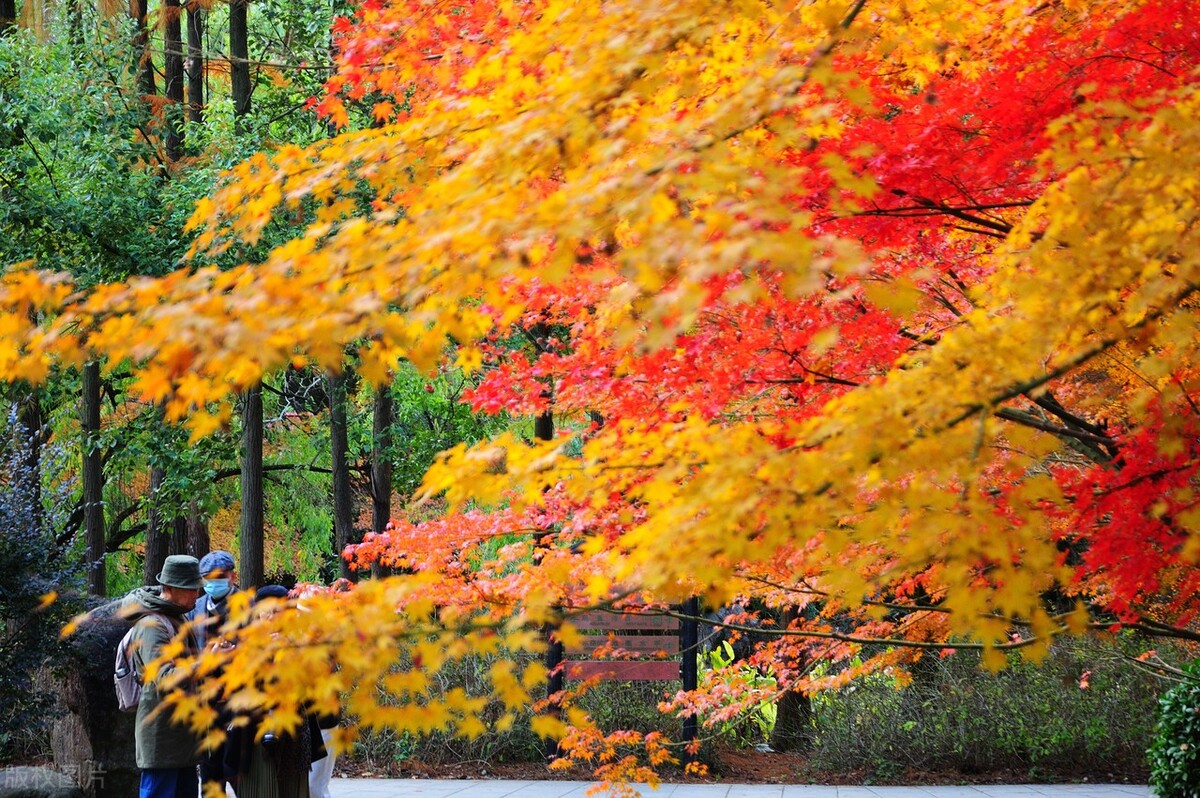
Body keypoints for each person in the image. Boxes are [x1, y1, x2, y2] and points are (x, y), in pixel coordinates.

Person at [223, 586, 326, 798]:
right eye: (268, 610)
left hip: (294, 729)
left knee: (292, 788)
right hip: (256, 730)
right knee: (261, 787)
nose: (273, 616)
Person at [121, 554, 205, 798]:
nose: (195, 595)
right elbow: (165, 677)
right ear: (168, 589)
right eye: (189, 589)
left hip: (181, 736)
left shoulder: (175, 615)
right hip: (162, 737)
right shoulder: (153, 625)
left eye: (197, 588)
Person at [187, 550, 240, 796]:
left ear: (232, 576)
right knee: (209, 777)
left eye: (220, 576)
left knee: (240, 774)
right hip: (206, 706)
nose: (214, 582)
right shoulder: (194, 609)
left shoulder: (249, 605)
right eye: (208, 577)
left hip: (239, 707)